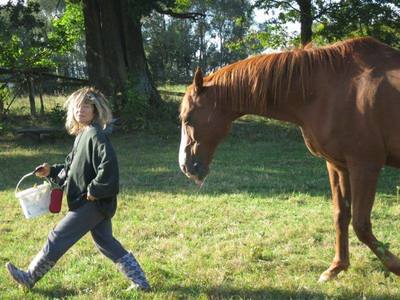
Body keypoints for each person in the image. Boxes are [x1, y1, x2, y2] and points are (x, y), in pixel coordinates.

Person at [5, 87, 150, 291]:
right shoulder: (83, 134)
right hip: (92, 202)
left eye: (86, 106)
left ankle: (30, 276)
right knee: (105, 241)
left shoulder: (95, 135)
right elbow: (72, 167)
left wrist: (95, 190)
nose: (80, 110)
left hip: (91, 202)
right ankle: (141, 282)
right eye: (76, 106)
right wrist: (51, 171)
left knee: (58, 235)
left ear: (95, 110)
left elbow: (109, 165)